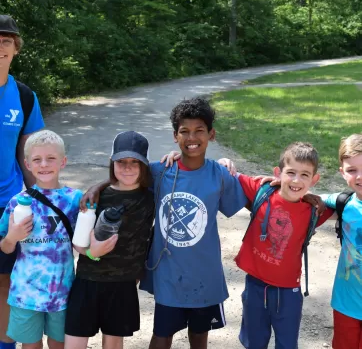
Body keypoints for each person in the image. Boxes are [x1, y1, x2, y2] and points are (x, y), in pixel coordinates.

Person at [81, 98, 247, 349]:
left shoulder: (220, 175)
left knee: (200, 337)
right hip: (168, 272)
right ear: (174, 136)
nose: (192, 137)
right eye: (184, 132)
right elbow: (127, 177)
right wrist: (98, 185)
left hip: (205, 274)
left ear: (211, 135)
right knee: (161, 335)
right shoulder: (160, 171)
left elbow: (251, 196)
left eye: (199, 130)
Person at [227, 142, 332, 349]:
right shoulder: (263, 191)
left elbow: (345, 204)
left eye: (305, 175)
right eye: (290, 172)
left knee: (287, 344)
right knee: (254, 343)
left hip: (288, 292)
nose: (296, 180)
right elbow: (229, 173)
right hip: (255, 285)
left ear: (314, 179)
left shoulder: (314, 210)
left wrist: (321, 198)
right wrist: (225, 161)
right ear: (278, 173)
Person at [64, 131, 155, 349]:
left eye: (135, 162)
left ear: (145, 165)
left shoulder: (150, 196)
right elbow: (78, 242)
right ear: (111, 162)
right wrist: (91, 253)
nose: (128, 167)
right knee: (74, 342)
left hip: (123, 284)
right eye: (121, 162)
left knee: (114, 342)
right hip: (88, 279)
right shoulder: (96, 198)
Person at [0, 130, 82, 349]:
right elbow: (5, 248)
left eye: (51, 158)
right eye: (37, 159)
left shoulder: (75, 199)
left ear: (63, 161)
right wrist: (12, 237)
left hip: (62, 291)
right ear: (27, 164)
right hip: (25, 293)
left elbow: (84, 242)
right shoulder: (17, 202)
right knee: (30, 345)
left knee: (59, 344)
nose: (44, 164)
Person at [0, 15, 44, 349]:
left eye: (5, 41)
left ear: (15, 48)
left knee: (6, 282)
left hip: (10, 204)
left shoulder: (25, 96)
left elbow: (27, 155)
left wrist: (45, 196)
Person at [317, 134, 362, 349]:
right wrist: (282, 184)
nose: (360, 176)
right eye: (352, 170)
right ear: (342, 172)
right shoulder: (343, 202)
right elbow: (305, 196)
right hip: (347, 303)